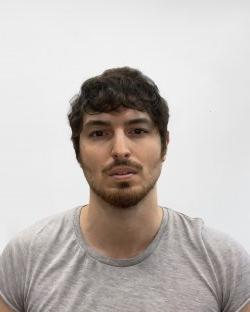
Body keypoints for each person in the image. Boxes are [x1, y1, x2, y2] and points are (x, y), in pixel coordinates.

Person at [0, 67, 249, 312]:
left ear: (164, 144)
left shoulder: (224, 263)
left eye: (137, 131)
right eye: (99, 133)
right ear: (78, 150)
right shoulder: (26, 258)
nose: (120, 149)